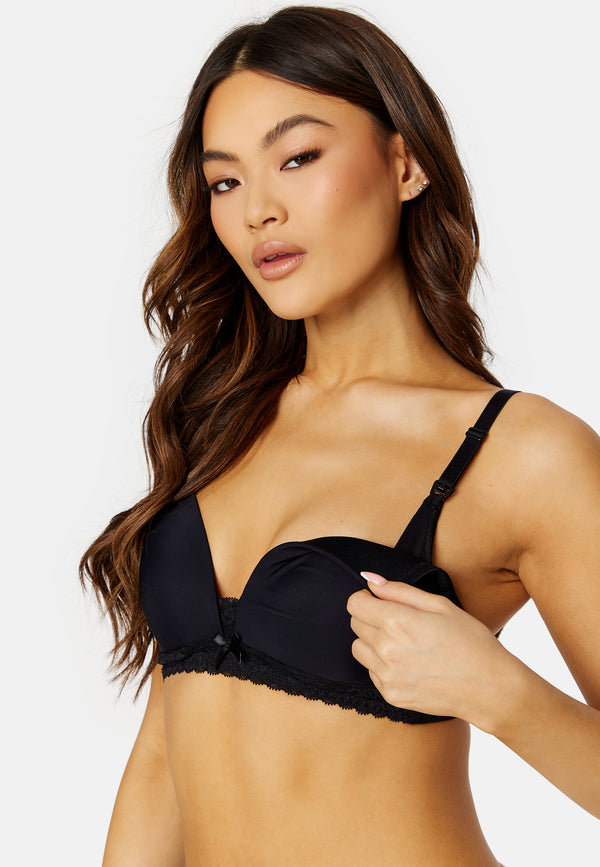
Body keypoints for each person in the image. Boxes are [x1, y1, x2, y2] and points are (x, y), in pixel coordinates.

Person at [79, 6, 600, 865]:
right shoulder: (221, 419)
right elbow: (165, 757)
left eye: (298, 157)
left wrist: (504, 693)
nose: (260, 210)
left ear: (406, 162)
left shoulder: (522, 453)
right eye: (225, 182)